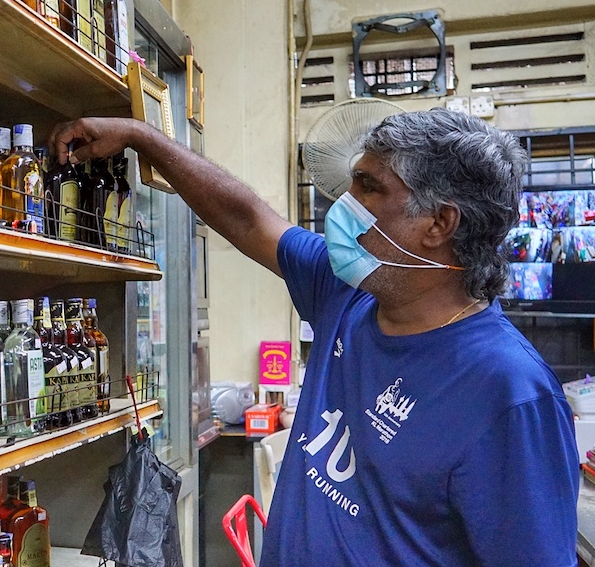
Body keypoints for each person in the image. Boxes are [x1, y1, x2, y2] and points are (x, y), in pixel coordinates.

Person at [51, 109, 579, 566]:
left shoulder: (508, 394)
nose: (342, 204)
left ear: (439, 222)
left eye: (370, 187)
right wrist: (145, 137)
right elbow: (248, 217)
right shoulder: (348, 293)